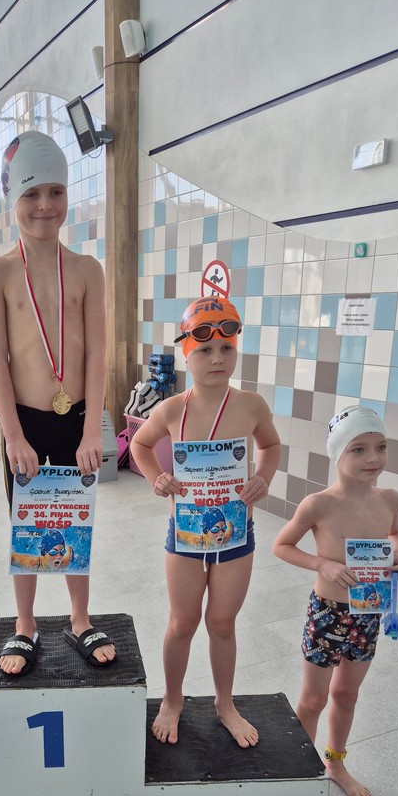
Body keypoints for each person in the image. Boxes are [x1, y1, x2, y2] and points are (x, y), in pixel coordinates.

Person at [0, 130, 116, 675]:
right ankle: (25, 624)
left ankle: (80, 617)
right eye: (31, 194)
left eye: (55, 192)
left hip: (76, 419)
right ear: (12, 200)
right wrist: (12, 435)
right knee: (28, 523)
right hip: (26, 426)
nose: (44, 205)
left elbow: (97, 354)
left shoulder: (86, 270)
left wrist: (92, 430)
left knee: (75, 519)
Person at [131, 296, 281, 746]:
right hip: (185, 533)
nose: (217, 358)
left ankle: (224, 703)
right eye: (205, 350)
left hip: (235, 532)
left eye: (226, 348)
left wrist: (263, 477)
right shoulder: (172, 408)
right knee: (182, 622)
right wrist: (156, 478)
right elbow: (139, 444)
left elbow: (271, 446)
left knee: (222, 623)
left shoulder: (251, 405)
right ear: (186, 353)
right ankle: (172, 698)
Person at [272, 405, 398, 796]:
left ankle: (335, 764)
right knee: (313, 699)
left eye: (380, 447)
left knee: (347, 694)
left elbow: (395, 534)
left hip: (368, 612)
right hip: (328, 614)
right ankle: (297, 769)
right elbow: (282, 545)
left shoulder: (390, 499)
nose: (373, 458)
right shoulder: (319, 504)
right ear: (337, 454)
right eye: (358, 449)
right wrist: (322, 564)